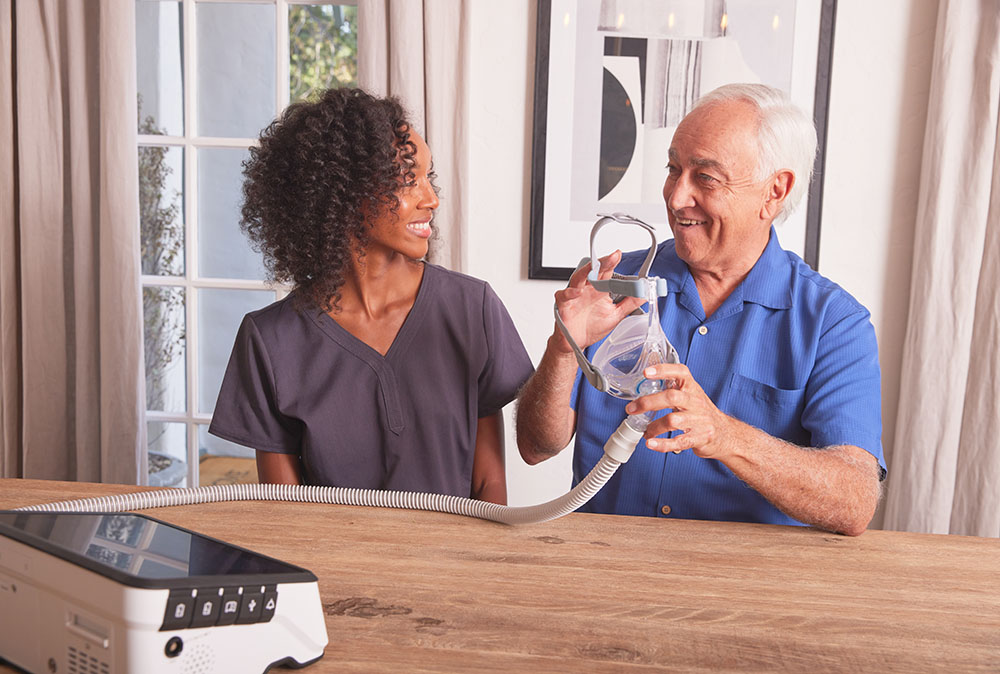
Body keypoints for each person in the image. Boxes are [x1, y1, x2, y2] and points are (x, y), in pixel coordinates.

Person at [515, 83, 885, 535]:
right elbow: (536, 447)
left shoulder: (834, 323)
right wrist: (561, 348)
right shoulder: (615, 286)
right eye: (674, 169)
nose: (675, 197)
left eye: (705, 178)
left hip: (745, 590)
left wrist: (725, 436)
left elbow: (854, 500)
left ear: (775, 191)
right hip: (604, 573)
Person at [209, 88, 533, 504]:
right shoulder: (270, 341)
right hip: (334, 567)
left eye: (428, 178)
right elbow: (284, 517)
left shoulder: (472, 309)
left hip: (453, 565)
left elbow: (489, 488)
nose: (431, 199)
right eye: (406, 179)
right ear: (342, 192)